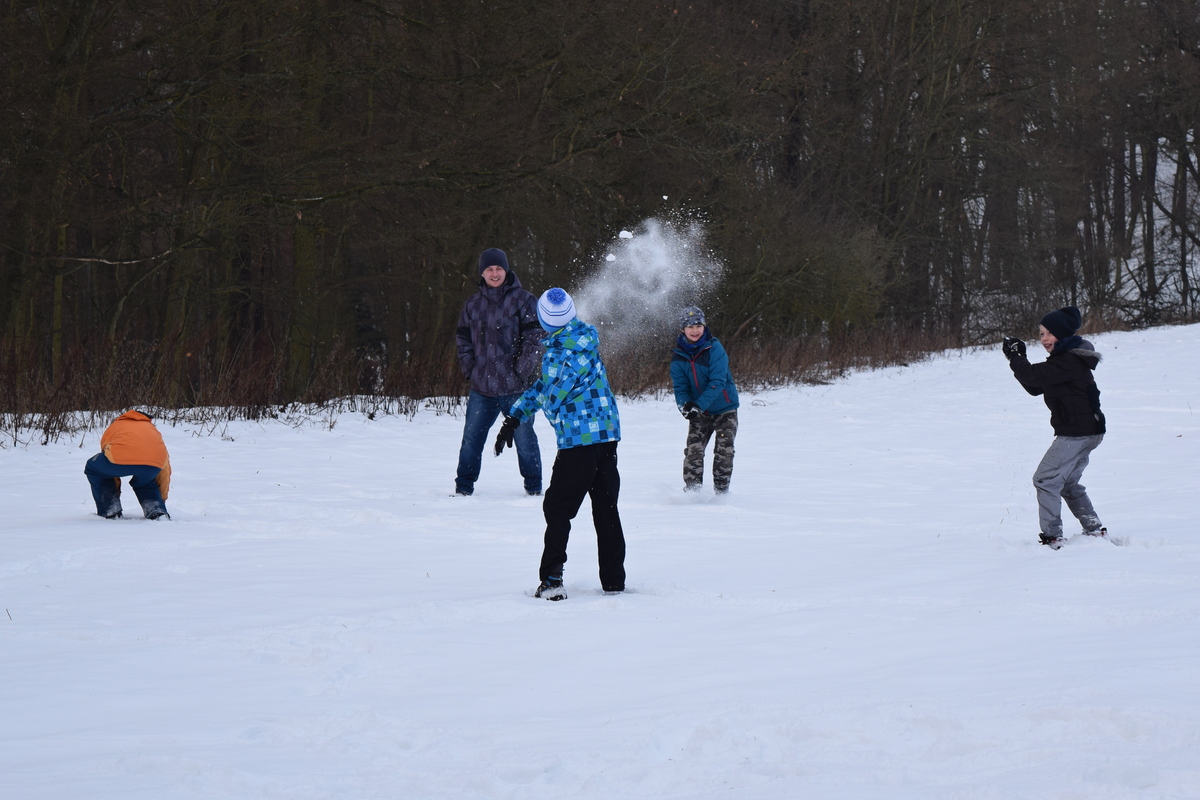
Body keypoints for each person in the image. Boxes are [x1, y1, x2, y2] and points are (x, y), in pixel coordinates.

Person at [494, 288, 625, 600]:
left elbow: (551, 397)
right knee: (606, 510)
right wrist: (515, 416)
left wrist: (527, 413)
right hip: (607, 436)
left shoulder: (556, 354)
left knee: (557, 508)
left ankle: (552, 580)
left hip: (578, 442)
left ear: (543, 321)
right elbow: (546, 385)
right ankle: (614, 581)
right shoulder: (586, 339)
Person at [1002, 306, 1107, 549]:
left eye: (1050, 333)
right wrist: (1018, 361)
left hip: (1078, 432)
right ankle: (1094, 529)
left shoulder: (1069, 360)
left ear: (1064, 334)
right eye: (1041, 334)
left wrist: (1016, 358)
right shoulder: (1065, 360)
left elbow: (1034, 377)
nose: (1045, 339)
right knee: (1067, 483)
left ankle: (1053, 537)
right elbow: (1035, 386)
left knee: (1045, 479)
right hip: (1087, 431)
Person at [453, 247, 544, 496]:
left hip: (516, 387)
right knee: (471, 439)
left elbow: (536, 336)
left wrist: (521, 370)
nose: (494, 273)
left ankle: (534, 490)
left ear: (506, 270)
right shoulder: (472, 304)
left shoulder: (524, 300)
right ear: (482, 273)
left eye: (499, 268)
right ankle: (463, 488)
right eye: (489, 269)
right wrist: (470, 368)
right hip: (482, 388)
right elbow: (462, 338)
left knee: (525, 440)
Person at [670, 305, 740, 493]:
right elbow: (680, 387)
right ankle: (692, 493)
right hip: (699, 411)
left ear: (704, 326)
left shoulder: (714, 348)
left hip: (725, 408)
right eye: (690, 327)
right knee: (694, 450)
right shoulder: (678, 356)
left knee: (724, 451)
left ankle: (721, 493)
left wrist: (698, 405)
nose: (695, 330)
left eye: (699, 326)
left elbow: (717, 381)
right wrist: (685, 406)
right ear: (682, 329)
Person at [84, 409, 172, 520]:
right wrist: (162, 499)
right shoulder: (152, 429)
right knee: (146, 481)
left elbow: (107, 456)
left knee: (94, 468)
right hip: (153, 465)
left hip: (118, 460)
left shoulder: (116, 425)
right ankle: (157, 511)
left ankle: (110, 510)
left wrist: (114, 492)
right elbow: (165, 467)